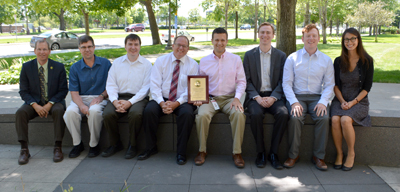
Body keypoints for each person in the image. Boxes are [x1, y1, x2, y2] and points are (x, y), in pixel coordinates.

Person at [138, 35, 198, 165]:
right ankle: (150, 147)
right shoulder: (161, 61)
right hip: (162, 98)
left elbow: (190, 90)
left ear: (188, 49)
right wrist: (162, 103)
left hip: (182, 100)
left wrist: (176, 104)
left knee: (187, 114)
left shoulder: (193, 65)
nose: (181, 48)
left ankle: (181, 152)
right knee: (149, 111)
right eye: (178, 45)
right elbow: (154, 85)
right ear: (173, 46)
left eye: (184, 46)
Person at [282, 24, 334, 171]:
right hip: (297, 97)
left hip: (317, 98)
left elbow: (330, 85)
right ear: (302, 38)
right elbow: (286, 84)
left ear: (318, 38)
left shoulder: (326, 60)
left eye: (314, 36)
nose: (311, 38)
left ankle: (319, 156)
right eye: (308, 36)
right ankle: (293, 155)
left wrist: (324, 102)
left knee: (323, 118)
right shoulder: (292, 58)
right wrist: (294, 102)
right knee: (294, 117)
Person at [194, 27, 247, 168]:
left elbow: (241, 81)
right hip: (210, 99)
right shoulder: (204, 61)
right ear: (212, 41)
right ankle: (202, 150)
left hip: (230, 98)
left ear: (227, 41)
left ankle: (237, 153)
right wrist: (198, 97)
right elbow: (199, 82)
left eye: (223, 40)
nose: (220, 43)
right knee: (202, 115)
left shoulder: (235, 59)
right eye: (216, 40)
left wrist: (237, 98)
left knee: (239, 115)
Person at [243, 22, 289, 169]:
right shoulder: (249, 55)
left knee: (283, 114)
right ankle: (260, 153)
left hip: (274, 95)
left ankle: (274, 153)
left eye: (268, 32)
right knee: (255, 115)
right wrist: (256, 97)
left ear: (273, 35)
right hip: (255, 97)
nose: (265, 35)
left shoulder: (281, 56)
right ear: (258, 34)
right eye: (262, 32)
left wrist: (273, 97)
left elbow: (284, 81)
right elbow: (246, 81)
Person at [16, 39, 68, 164]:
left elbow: (63, 90)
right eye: (39, 49)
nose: (42, 52)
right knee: (20, 113)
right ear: (34, 51)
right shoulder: (26, 67)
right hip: (34, 103)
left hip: (54, 102)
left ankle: (58, 147)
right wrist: (35, 106)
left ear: (49, 51)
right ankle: (24, 149)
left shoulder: (58, 67)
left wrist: (49, 104)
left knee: (59, 110)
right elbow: (23, 91)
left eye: (45, 49)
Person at [102, 34, 152, 159]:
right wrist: (114, 101)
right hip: (119, 96)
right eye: (130, 44)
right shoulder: (117, 63)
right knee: (108, 114)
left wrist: (130, 102)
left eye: (136, 44)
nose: (133, 47)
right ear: (125, 46)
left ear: (140, 46)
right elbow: (111, 84)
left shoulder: (147, 65)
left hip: (138, 98)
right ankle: (115, 144)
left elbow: (145, 89)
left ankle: (133, 145)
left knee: (136, 114)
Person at [331, 28, 374, 171]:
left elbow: (366, 88)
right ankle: (339, 153)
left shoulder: (367, 61)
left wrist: (352, 103)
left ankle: (351, 153)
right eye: (346, 39)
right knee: (335, 119)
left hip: (359, 101)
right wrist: (343, 101)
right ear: (343, 42)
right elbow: (335, 85)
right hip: (340, 100)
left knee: (345, 119)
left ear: (358, 40)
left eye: (353, 38)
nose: (349, 42)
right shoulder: (338, 61)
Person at [63, 35, 111, 158]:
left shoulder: (105, 64)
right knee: (69, 112)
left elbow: (112, 86)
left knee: (94, 111)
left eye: (89, 46)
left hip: (100, 97)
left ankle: (94, 145)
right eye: (83, 47)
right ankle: (77, 144)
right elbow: (74, 92)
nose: (87, 50)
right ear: (79, 49)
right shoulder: (75, 68)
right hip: (81, 98)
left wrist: (101, 96)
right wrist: (82, 106)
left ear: (94, 47)